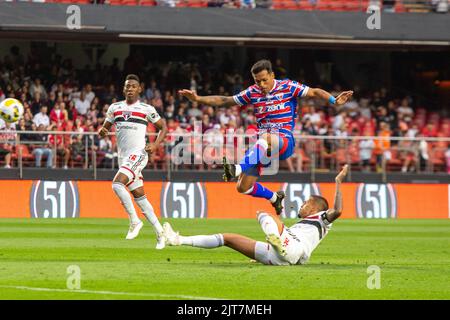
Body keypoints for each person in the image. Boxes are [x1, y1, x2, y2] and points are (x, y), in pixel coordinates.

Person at [179, 59, 353, 215]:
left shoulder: (288, 86)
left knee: (267, 137)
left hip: (283, 140)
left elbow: (315, 92)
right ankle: (274, 198)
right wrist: (198, 99)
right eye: (257, 81)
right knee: (243, 187)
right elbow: (225, 100)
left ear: (272, 75)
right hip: (264, 147)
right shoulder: (252, 92)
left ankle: (237, 169)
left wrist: (333, 100)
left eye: (264, 80)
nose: (261, 84)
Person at [163, 165, 348, 266]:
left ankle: (275, 241)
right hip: (277, 255)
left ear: (316, 209)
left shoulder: (322, 219)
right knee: (228, 238)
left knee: (265, 214)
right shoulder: (304, 225)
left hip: (291, 249)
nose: (302, 204)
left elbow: (337, 210)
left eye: (307, 202)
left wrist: (338, 182)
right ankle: (177, 239)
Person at [99, 74, 168, 249]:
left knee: (117, 185)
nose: (129, 89)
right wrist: (103, 131)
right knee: (140, 197)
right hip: (123, 158)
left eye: (133, 86)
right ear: (123, 89)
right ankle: (160, 233)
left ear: (139, 89)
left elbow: (163, 127)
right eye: (127, 86)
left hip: (138, 154)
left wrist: (155, 144)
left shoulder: (146, 109)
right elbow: (105, 128)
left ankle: (134, 221)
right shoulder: (115, 108)